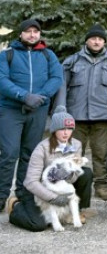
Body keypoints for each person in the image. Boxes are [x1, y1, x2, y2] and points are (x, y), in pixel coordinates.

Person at [58, 24, 107, 201]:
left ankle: (101, 184)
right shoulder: (72, 61)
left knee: (101, 152)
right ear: (87, 41)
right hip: (76, 116)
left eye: (100, 39)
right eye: (93, 38)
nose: (96, 41)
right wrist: (61, 110)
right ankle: (72, 183)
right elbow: (61, 87)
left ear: (104, 42)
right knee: (74, 152)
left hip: (103, 115)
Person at [0, 19, 64, 209]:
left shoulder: (47, 55)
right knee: (9, 153)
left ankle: (23, 194)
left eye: (35, 31)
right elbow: (1, 79)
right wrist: (23, 96)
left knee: (30, 154)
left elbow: (56, 78)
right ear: (21, 34)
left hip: (37, 110)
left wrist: (40, 98)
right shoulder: (8, 55)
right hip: (11, 110)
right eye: (28, 31)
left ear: (39, 35)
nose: (32, 35)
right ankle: (1, 195)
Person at [9, 108, 93, 232]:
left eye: (69, 129)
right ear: (54, 130)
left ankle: (74, 210)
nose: (66, 133)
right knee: (38, 225)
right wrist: (53, 198)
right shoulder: (42, 148)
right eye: (62, 129)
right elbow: (30, 182)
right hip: (40, 188)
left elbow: (75, 175)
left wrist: (69, 174)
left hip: (61, 185)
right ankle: (16, 207)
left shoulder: (76, 144)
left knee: (86, 173)